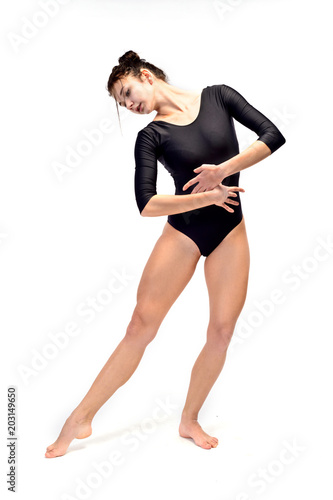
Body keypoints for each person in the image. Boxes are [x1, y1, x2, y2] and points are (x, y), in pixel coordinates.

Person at [45, 50, 286, 458]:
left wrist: (223, 170)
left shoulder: (219, 96)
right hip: (184, 233)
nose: (130, 105)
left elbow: (272, 135)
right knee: (141, 327)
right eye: (123, 104)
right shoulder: (152, 136)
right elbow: (147, 204)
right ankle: (79, 418)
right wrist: (207, 195)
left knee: (222, 332)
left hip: (230, 230)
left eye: (127, 93)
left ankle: (189, 419)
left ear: (145, 75)